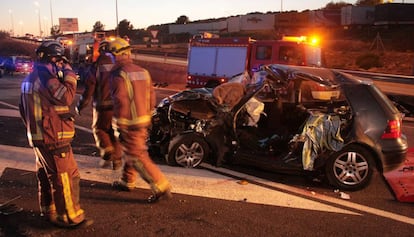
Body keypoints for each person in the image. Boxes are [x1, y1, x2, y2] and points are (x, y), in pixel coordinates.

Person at [19, 40, 91, 228]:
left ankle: (48, 210)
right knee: (65, 177)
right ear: (52, 59)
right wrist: (69, 72)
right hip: (53, 138)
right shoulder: (46, 77)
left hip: (39, 138)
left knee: (46, 175)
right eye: (59, 62)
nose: (61, 66)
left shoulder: (30, 78)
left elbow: (22, 110)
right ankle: (69, 216)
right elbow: (66, 96)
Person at [108, 37, 172, 203]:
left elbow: (120, 100)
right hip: (144, 119)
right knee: (133, 150)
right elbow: (152, 96)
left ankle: (160, 185)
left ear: (116, 55)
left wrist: (120, 123)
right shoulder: (143, 71)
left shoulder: (117, 74)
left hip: (128, 122)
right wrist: (148, 114)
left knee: (136, 155)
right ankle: (127, 180)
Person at [76, 40, 123, 170]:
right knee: (114, 132)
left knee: (99, 129)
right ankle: (117, 160)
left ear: (101, 50)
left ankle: (107, 152)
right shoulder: (119, 65)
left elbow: (89, 88)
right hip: (119, 106)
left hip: (102, 106)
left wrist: (80, 105)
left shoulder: (96, 66)